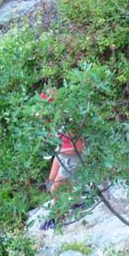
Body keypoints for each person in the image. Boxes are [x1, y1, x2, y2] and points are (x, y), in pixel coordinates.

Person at [40, 89, 85, 230]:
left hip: (72, 157)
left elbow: (79, 147)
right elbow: (55, 135)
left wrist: (57, 149)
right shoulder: (56, 118)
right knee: (50, 180)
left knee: (54, 190)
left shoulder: (69, 120)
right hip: (61, 153)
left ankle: (54, 218)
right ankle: (77, 202)